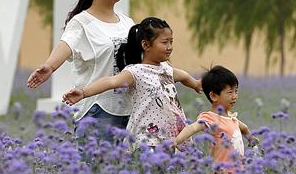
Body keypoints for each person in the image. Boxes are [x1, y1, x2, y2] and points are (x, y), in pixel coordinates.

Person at [27, 0, 135, 131]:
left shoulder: (127, 23)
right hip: (98, 112)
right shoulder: (82, 22)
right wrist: (49, 66)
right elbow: (66, 44)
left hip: (131, 112)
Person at [63, 17, 201, 149]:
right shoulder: (136, 72)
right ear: (146, 45)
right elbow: (111, 81)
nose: (169, 47)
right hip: (147, 140)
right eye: (165, 42)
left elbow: (183, 76)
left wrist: (195, 84)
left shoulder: (165, 69)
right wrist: (83, 92)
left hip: (168, 137)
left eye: (171, 42)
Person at [174, 65, 256, 174]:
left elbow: (243, 127)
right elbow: (192, 128)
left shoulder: (231, 118)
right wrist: (175, 141)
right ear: (213, 96)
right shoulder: (211, 118)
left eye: (236, 91)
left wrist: (251, 139)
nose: (234, 96)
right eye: (230, 92)